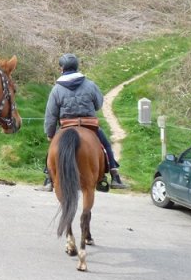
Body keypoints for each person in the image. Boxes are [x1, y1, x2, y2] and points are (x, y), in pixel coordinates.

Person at [41, 53, 129, 191]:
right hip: (89, 125)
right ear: (76, 67)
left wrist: (50, 133)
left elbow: (51, 115)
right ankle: (114, 175)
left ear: (62, 68)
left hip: (66, 125)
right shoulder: (90, 84)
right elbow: (98, 104)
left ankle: (48, 178)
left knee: (53, 147)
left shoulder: (56, 89)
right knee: (106, 145)